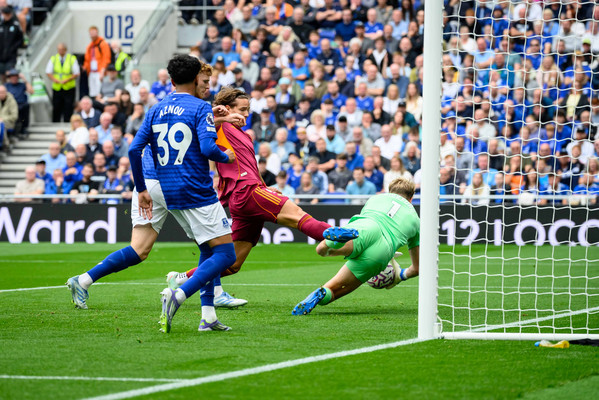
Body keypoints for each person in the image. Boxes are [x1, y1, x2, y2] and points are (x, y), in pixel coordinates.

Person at [67, 56, 239, 333]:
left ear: (170, 80)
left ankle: (84, 280)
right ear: (195, 78)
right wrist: (226, 154)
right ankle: (184, 295)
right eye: (205, 81)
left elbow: (135, 148)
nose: (207, 86)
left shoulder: (156, 108)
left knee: (139, 249)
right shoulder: (199, 108)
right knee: (217, 249)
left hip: (149, 182)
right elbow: (205, 146)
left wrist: (142, 189)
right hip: (182, 183)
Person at [167, 87, 356, 288]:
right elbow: (196, 125)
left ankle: (181, 279)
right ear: (227, 109)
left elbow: (250, 167)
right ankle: (343, 238)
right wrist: (223, 118)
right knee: (297, 215)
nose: (246, 114)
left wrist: (266, 187)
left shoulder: (244, 135)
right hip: (246, 191)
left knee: (232, 263)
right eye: (242, 110)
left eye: (248, 110)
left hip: (246, 195)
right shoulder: (220, 127)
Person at [292, 177, 419, 315]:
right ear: (411, 198)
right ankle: (323, 293)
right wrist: (400, 276)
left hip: (367, 226)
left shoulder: (376, 199)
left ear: (390, 191)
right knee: (338, 288)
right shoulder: (416, 220)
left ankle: (331, 244)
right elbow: (417, 268)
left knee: (322, 250)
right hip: (384, 248)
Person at [46, 43, 80, 122]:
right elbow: (48, 72)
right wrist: (55, 80)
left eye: (62, 49)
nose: (60, 51)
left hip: (69, 87)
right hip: (57, 87)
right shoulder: (54, 58)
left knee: (68, 106)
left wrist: (67, 80)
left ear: (65, 50)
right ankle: (55, 123)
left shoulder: (71, 58)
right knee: (56, 106)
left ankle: (67, 122)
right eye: (59, 49)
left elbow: (76, 73)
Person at [82, 26, 111, 98]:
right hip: (91, 72)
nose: (92, 34)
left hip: (99, 72)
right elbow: (87, 59)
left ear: (97, 32)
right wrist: (85, 67)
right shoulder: (90, 46)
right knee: (92, 91)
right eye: (91, 33)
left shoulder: (103, 44)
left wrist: (102, 71)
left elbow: (106, 58)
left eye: (93, 32)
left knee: (99, 91)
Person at [0, 6, 23, 78]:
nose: (7, 16)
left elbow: (20, 39)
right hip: (0, 55)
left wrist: (13, 48)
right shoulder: (1, 25)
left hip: (11, 56)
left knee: (10, 74)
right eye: (5, 14)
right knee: (2, 75)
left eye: (8, 14)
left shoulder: (15, 25)